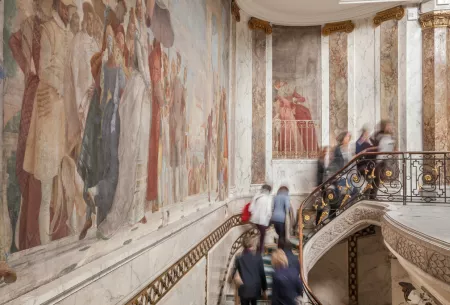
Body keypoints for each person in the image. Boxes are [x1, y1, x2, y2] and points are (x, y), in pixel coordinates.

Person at [229, 236, 267, 305]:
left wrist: (231, 278)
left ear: (243, 245)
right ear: (252, 244)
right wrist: (264, 290)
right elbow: (262, 274)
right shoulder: (258, 257)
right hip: (255, 288)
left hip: (244, 289)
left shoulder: (238, 257)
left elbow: (234, 270)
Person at [249, 184, 273, 253]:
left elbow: (250, 209)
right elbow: (268, 211)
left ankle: (256, 248)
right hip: (262, 220)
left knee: (259, 234)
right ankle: (260, 252)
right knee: (262, 236)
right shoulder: (268, 198)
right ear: (269, 191)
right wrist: (269, 219)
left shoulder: (256, 196)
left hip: (254, 220)